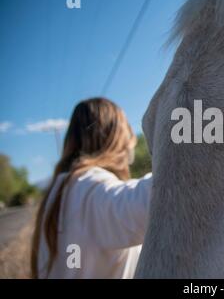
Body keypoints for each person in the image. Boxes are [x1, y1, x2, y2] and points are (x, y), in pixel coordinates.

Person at [31, 98, 152, 279]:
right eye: (128, 132)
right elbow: (161, 197)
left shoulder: (61, 190)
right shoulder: (91, 189)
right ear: (116, 139)